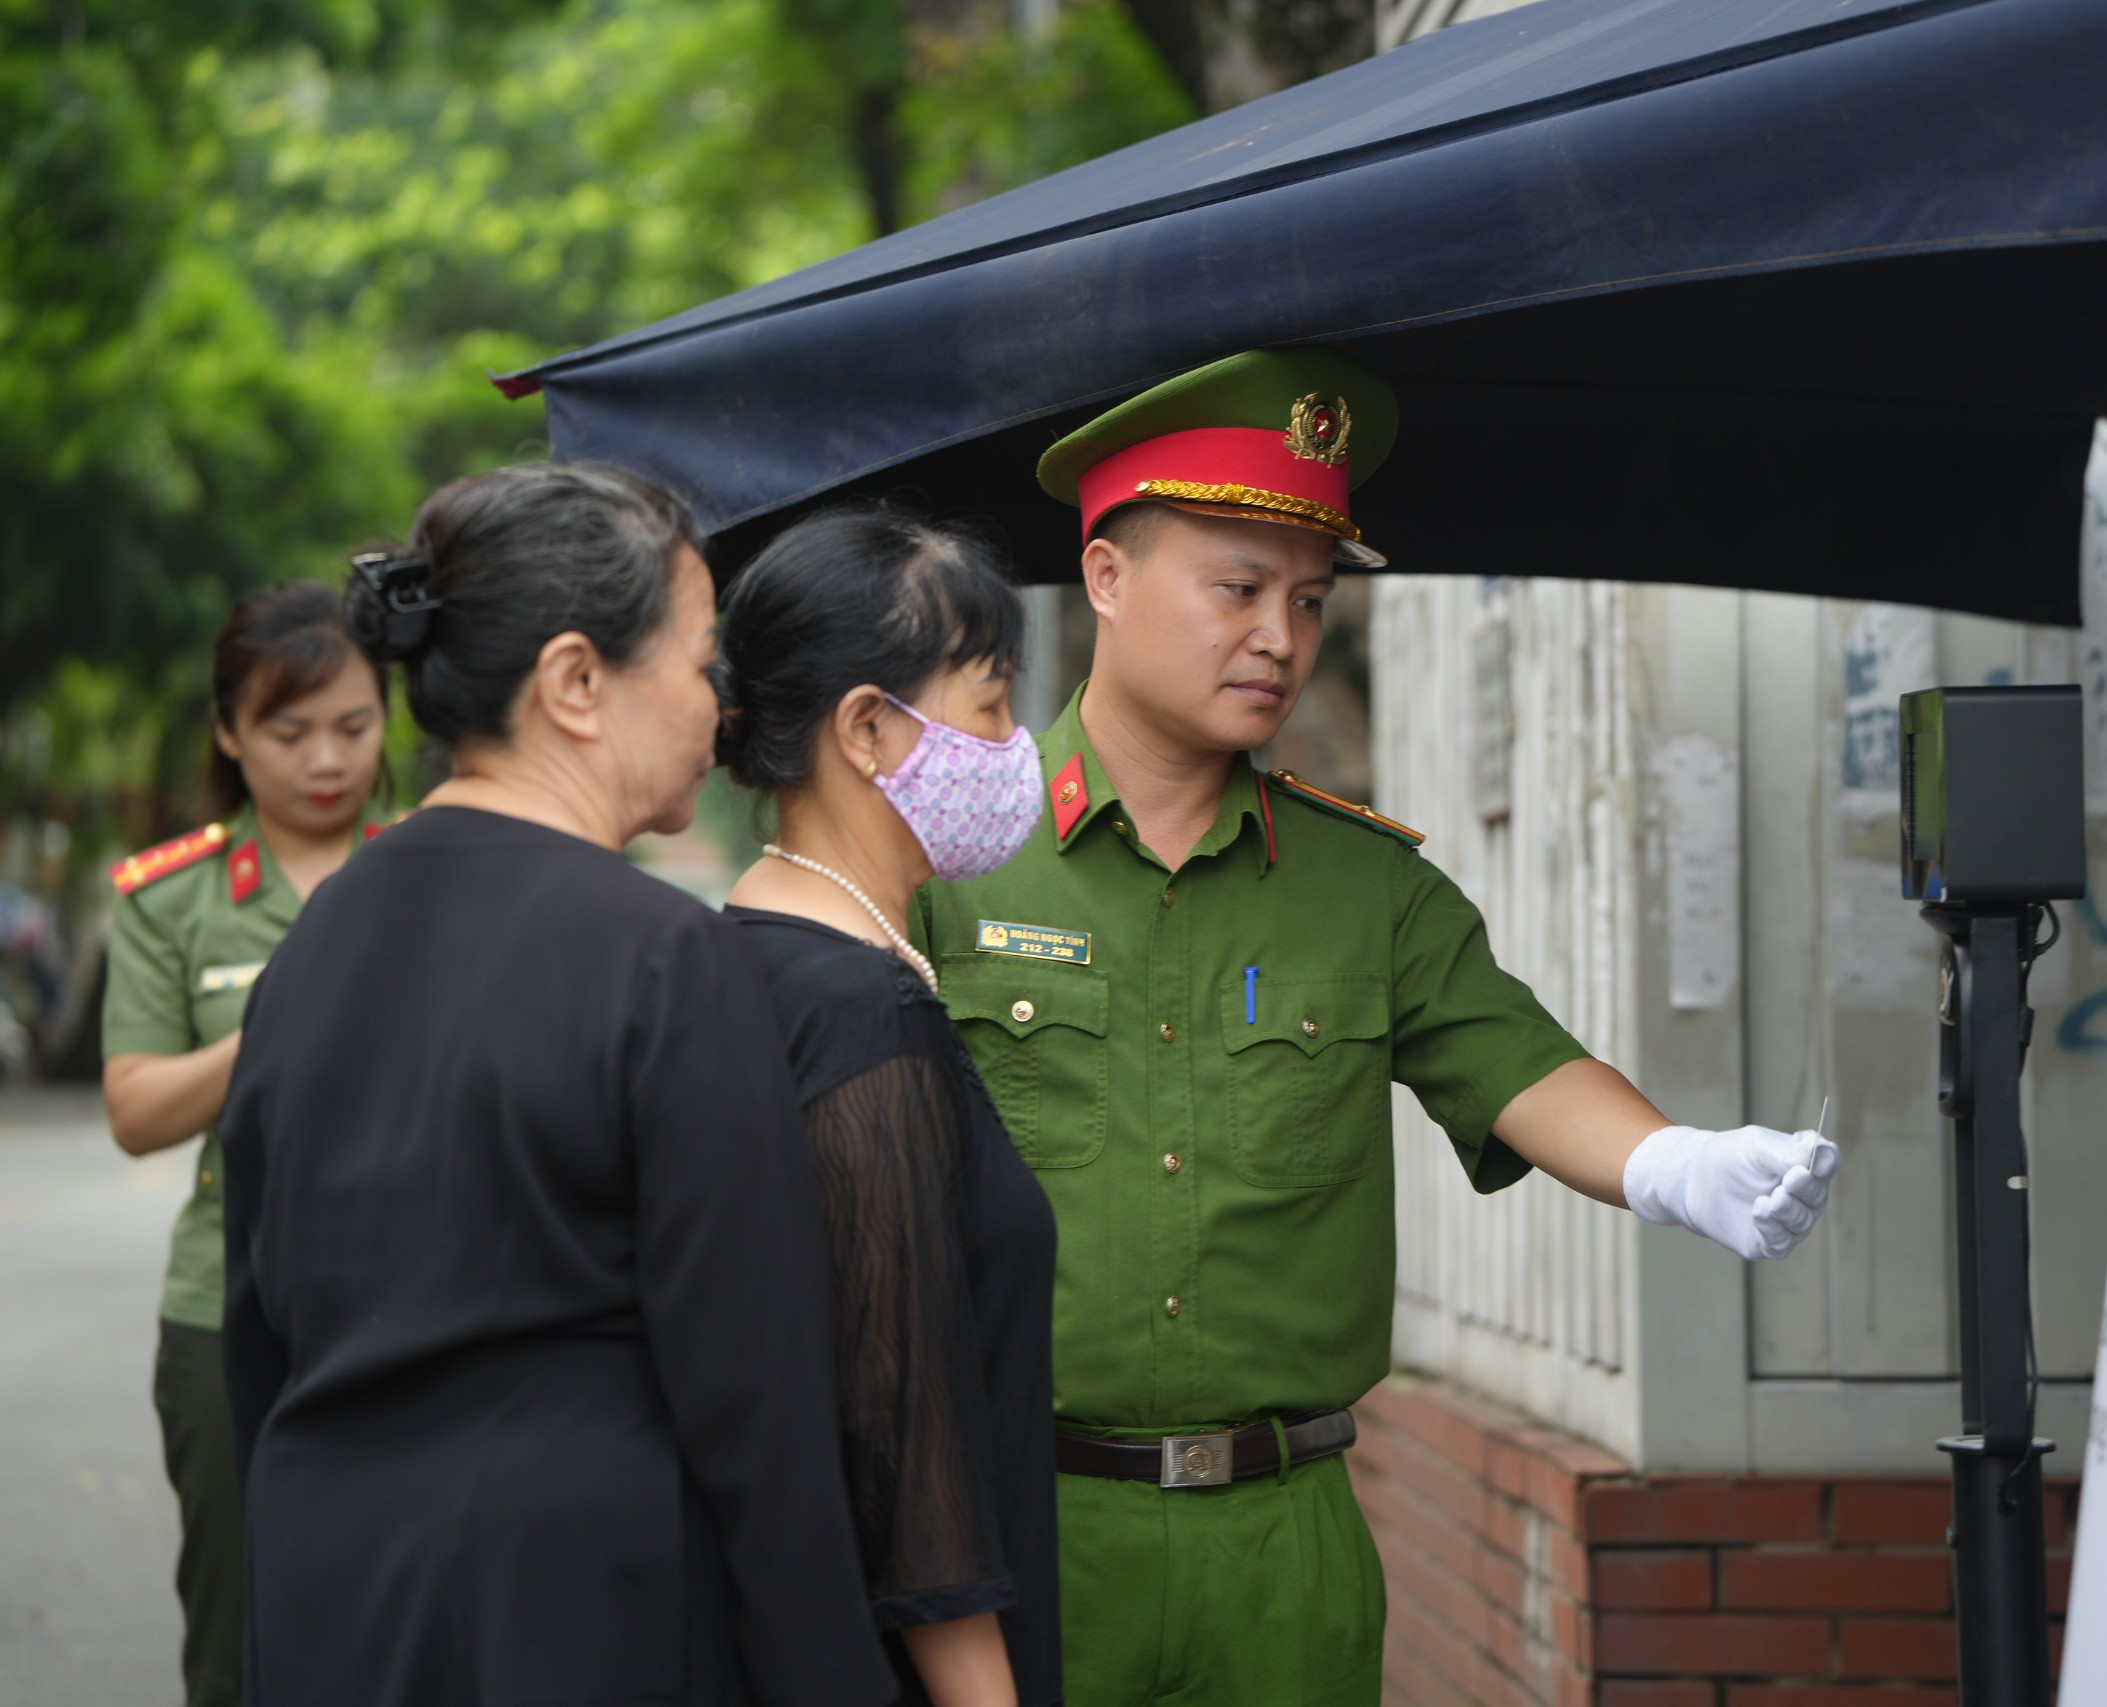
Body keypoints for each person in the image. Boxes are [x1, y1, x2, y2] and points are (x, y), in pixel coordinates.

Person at [912, 347, 1841, 1705]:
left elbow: (1518, 1062)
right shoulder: (952, 856)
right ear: (1105, 575)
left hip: (1285, 1540)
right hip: (1032, 1526)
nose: (1281, 637)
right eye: (1236, 588)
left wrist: (1672, 1162)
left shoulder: (1363, 888)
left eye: (1308, 596)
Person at [219, 461, 897, 1707]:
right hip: (581, 1616)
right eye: (702, 666)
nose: (724, 712)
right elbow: (759, 1413)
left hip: (333, 1602)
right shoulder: (666, 958)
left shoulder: (310, 949)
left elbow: (259, 1348)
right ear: (577, 683)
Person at [720, 505, 1061, 1707]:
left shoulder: (738, 959)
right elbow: (905, 1434)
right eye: (989, 703)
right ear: (867, 727)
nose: (1014, 745)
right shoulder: (867, 1015)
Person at [101, 581, 397, 1707]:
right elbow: (137, 1112)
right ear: (230, 732)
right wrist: (287, 1002)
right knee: (239, 1638)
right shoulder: (169, 898)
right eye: (288, 730)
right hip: (224, 1311)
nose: (327, 757)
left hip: (413, 1298)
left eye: (355, 726)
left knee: (397, 1621)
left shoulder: (434, 864)